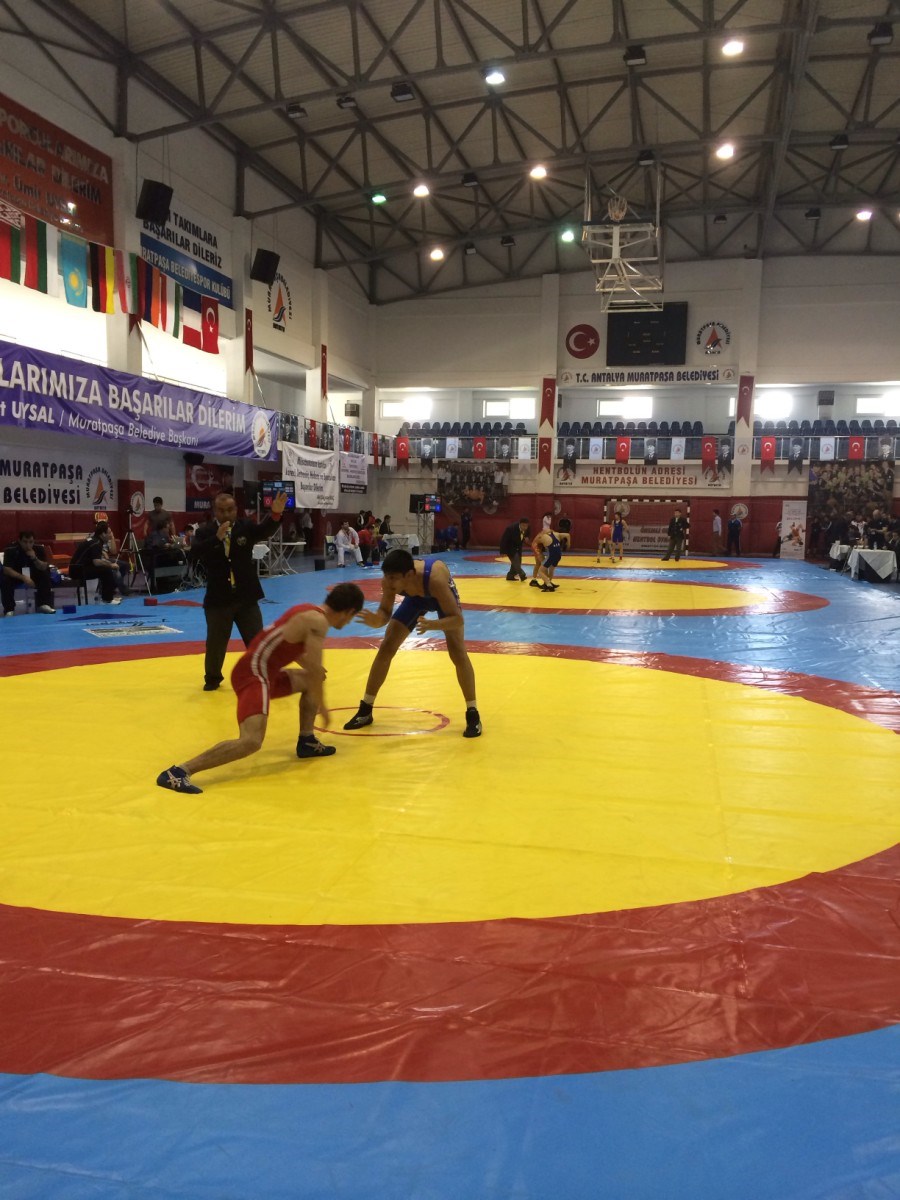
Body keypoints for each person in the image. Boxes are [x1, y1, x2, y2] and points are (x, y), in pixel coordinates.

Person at [156, 582, 365, 793]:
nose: (348, 622)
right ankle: (178, 772)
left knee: (313, 679)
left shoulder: (307, 610)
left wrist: (314, 671)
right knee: (251, 741)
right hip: (253, 674)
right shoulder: (318, 623)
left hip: (261, 671)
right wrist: (324, 709)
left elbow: (291, 648)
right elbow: (313, 668)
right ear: (348, 612)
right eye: (351, 617)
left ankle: (307, 741)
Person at [342, 548, 481, 738]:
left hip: (438, 597)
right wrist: (376, 621)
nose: (389, 583)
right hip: (415, 600)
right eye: (387, 577)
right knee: (386, 647)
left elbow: (457, 619)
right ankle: (365, 709)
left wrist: (434, 624)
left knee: (457, 652)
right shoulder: (389, 581)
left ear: (409, 575)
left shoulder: (435, 579)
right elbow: (384, 614)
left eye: (393, 578)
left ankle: (473, 714)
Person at [193, 489, 287, 691]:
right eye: (221, 510)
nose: (226, 514)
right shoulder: (205, 532)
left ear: (236, 509)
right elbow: (195, 553)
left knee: (257, 640)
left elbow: (264, 530)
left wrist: (275, 514)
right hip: (219, 598)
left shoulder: (245, 527)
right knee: (216, 643)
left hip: (246, 597)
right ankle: (212, 678)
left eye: (230, 509)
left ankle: (264, 674)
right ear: (215, 511)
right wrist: (216, 539)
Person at [1, 530, 56, 615]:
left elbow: (43, 567)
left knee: (45, 574)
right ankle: (9, 609)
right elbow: (7, 569)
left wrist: (34, 558)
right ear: (19, 541)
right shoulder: (10, 549)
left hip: (33, 574)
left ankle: (44, 604)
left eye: (31, 542)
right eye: (25, 542)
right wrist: (23, 577)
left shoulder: (39, 548)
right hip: (17, 575)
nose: (28, 545)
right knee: (5, 580)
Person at [74, 522, 131, 603]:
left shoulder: (96, 540)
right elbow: (96, 562)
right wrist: (111, 565)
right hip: (78, 570)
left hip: (81, 567)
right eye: (109, 532)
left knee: (107, 569)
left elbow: (111, 552)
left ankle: (107, 595)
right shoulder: (96, 542)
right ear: (103, 534)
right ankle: (108, 599)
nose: (111, 534)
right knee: (107, 570)